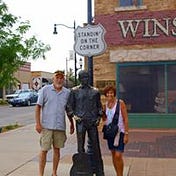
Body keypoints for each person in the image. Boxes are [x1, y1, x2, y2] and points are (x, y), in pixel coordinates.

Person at [35, 70, 74, 176]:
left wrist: (71, 123)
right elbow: (38, 107)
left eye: (61, 78)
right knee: (44, 150)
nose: (59, 80)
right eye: (57, 77)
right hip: (46, 126)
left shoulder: (67, 92)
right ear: (53, 79)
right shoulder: (45, 90)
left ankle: (54, 172)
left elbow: (68, 110)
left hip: (59, 126)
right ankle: (40, 174)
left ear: (63, 79)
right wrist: (38, 123)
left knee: (57, 150)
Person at [67, 70, 105, 176]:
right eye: (83, 77)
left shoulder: (95, 91)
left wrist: (99, 118)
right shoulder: (74, 91)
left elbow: (99, 107)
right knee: (80, 148)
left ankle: (99, 170)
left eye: (86, 77)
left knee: (96, 146)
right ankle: (82, 170)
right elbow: (69, 106)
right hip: (80, 122)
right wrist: (74, 116)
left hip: (92, 122)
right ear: (79, 78)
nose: (85, 79)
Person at [102, 85, 129, 176]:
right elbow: (104, 118)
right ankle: (117, 173)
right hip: (110, 134)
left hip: (119, 132)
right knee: (113, 154)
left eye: (111, 92)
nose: (110, 94)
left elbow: (125, 119)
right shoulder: (105, 105)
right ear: (105, 94)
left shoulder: (120, 103)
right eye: (108, 93)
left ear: (114, 94)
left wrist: (126, 133)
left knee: (118, 155)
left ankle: (120, 174)